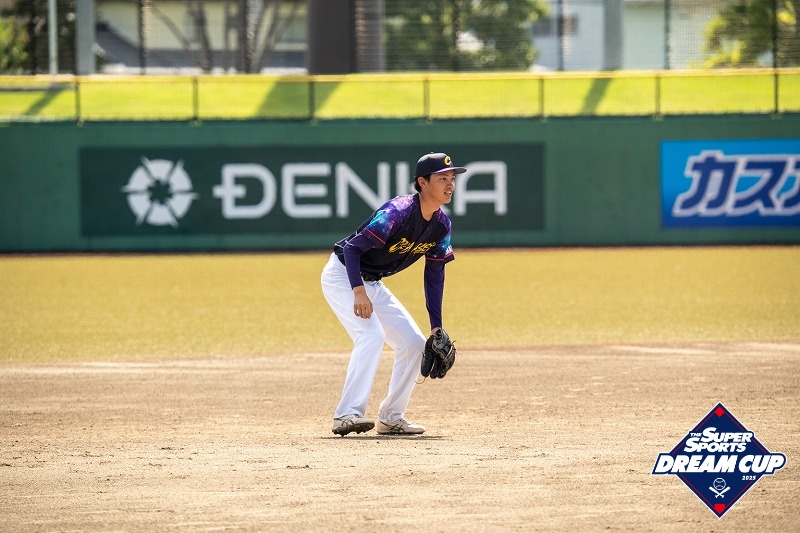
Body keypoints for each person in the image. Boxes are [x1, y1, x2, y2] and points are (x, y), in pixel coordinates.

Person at [321, 152, 465, 436]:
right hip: (344, 275)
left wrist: (436, 325)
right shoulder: (398, 212)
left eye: (452, 179)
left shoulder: (441, 226)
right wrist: (358, 292)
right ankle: (346, 415)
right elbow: (352, 249)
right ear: (422, 182)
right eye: (442, 179)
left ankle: (391, 417)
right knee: (371, 335)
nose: (450, 185)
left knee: (413, 344)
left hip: (373, 283)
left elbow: (434, 274)